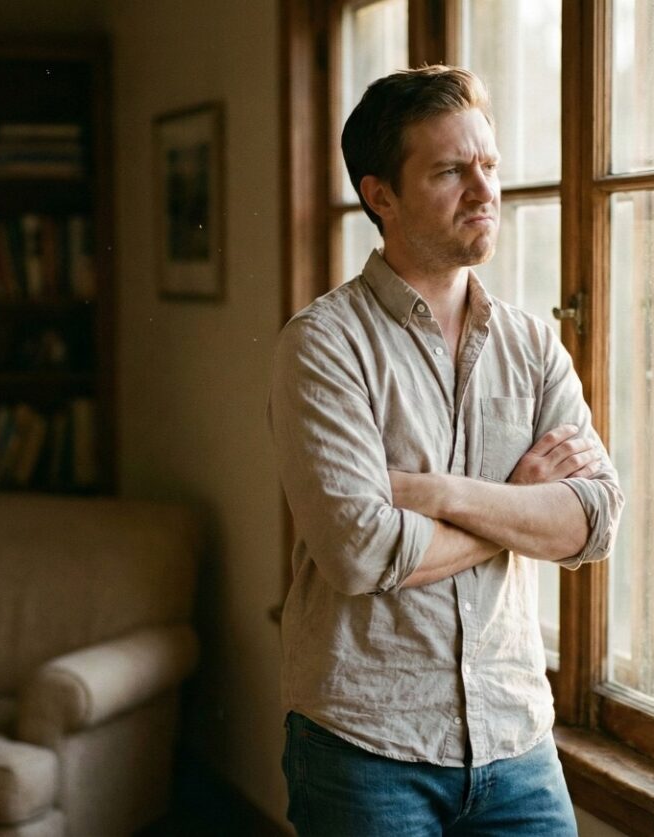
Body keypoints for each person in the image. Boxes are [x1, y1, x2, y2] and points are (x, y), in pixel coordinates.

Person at [268, 65, 624, 836]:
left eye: (488, 164)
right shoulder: (323, 346)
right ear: (381, 195)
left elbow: (594, 521)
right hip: (367, 744)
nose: (483, 189)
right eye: (450, 171)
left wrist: (435, 494)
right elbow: (358, 551)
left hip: (516, 738)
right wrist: (519, 498)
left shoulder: (533, 345)